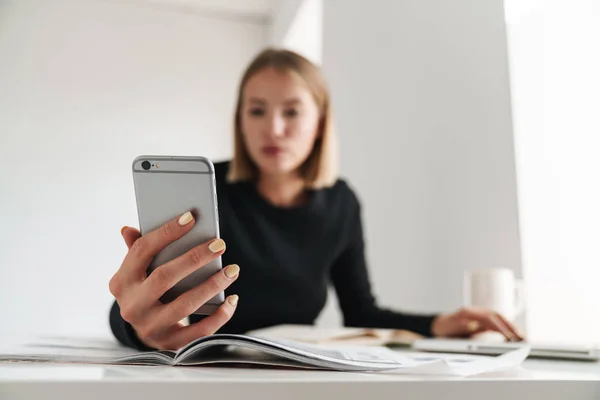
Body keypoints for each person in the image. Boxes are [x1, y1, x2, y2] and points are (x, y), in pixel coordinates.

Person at [109, 48, 523, 351]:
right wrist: (139, 325)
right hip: (200, 374)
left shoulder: (341, 203)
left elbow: (361, 313)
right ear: (240, 120)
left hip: (295, 377)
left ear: (320, 123)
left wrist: (438, 322)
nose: (273, 128)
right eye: (257, 110)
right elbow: (136, 308)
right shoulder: (204, 189)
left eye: (291, 112)